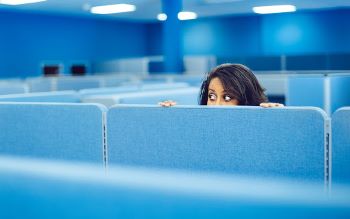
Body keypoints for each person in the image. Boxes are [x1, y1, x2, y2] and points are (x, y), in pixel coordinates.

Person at [159, 63, 284, 107]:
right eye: (211, 97)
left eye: (227, 97)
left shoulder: (256, 131)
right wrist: (170, 116)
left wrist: (273, 118)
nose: (216, 104)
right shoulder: (203, 126)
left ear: (246, 99)